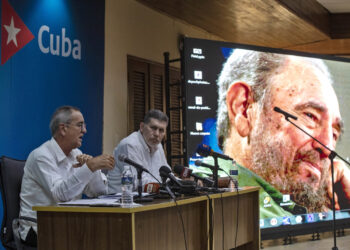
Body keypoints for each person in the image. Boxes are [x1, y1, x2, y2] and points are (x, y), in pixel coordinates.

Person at [201, 49, 350, 218]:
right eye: (310, 116)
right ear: (243, 108)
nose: (328, 148)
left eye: (334, 134)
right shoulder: (215, 201)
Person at [19, 106, 115, 246]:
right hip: (39, 228)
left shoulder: (76, 154)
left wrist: (93, 169)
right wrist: (90, 167)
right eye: (80, 125)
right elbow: (60, 195)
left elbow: (98, 192)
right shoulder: (41, 156)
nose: (84, 130)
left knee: (107, 234)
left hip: (66, 224)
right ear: (63, 129)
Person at [107, 109, 170, 194]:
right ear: (142, 127)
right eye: (153, 128)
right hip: (120, 200)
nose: (157, 134)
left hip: (147, 198)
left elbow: (167, 175)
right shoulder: (130, 144)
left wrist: (182, 184)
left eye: (161, 130)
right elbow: (137, 183)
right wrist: (167, 186)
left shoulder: (158, 146)